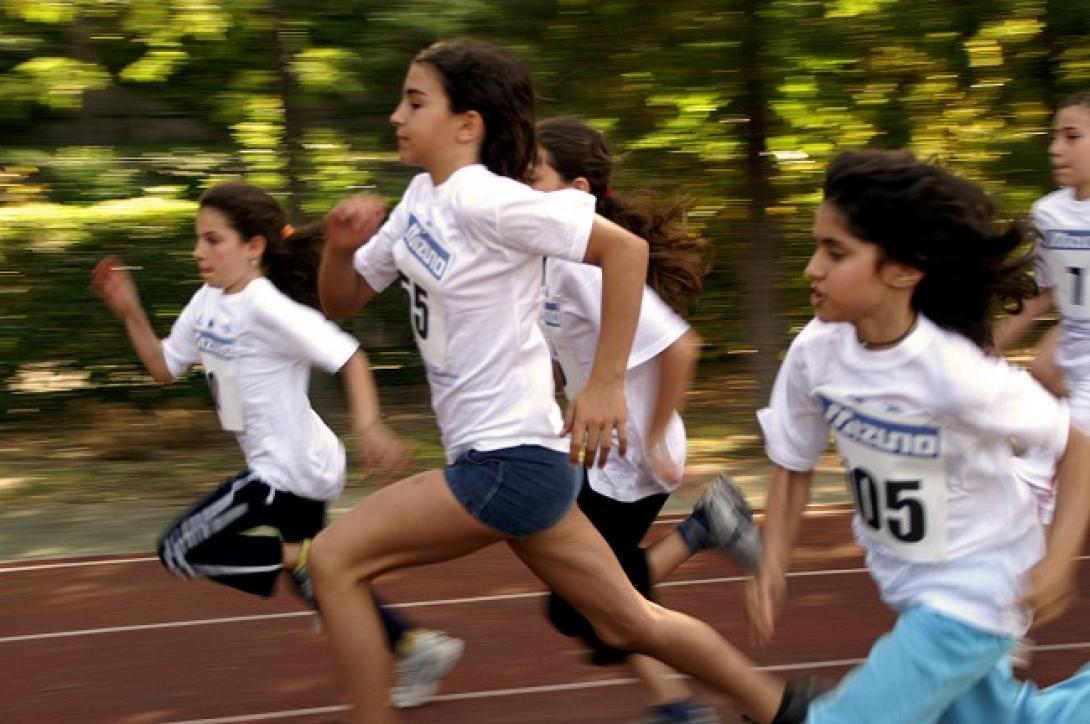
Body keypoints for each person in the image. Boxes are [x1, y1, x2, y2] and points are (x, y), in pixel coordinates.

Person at [312, 38, 811, 724]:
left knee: (334, 559)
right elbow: (341, 301)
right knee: (629, 623)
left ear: (468, 124)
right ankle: (787, 710)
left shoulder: (489, 200)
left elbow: (625, 249)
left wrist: (605, 382)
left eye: (415, 101)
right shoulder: (422, 198)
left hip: (506, 461)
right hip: (522, 465)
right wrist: (339, 248)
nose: (396, 115)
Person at [91, 181, 463, 709]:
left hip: (283, 470)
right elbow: (163, 367)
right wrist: (129, 308)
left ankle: (315, 556)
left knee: (180, 548)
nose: (199, 251)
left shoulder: (267, 306)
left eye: (213, 240)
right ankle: (413, 645)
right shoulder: (207, 302)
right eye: (198, 240)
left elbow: (350, 356)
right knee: (320, 584)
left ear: (254, 246)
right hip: (296, 463)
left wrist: (371, 426)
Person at [750, 148, 1090, 723]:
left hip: (981, 590)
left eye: (836, 253)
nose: (813, 268)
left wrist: (1058, 560)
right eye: (817, 247)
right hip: (908, 583)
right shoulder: (816, 352)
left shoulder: (953, 373)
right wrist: (774, 560)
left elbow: (1077, 445)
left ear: (903, 270)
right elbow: (793, 461)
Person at [531, 116, 762, 724]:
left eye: (533, 175)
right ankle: (681, 699)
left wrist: (658, 436)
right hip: (592, 454)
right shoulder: (555, 263)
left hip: (632, 460)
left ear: (577, 191)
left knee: (587, 601)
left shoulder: (591, 267)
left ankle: (702, 699)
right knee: (590, 599)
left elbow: (680, 348)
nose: (519, 187)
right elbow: (568, 356)